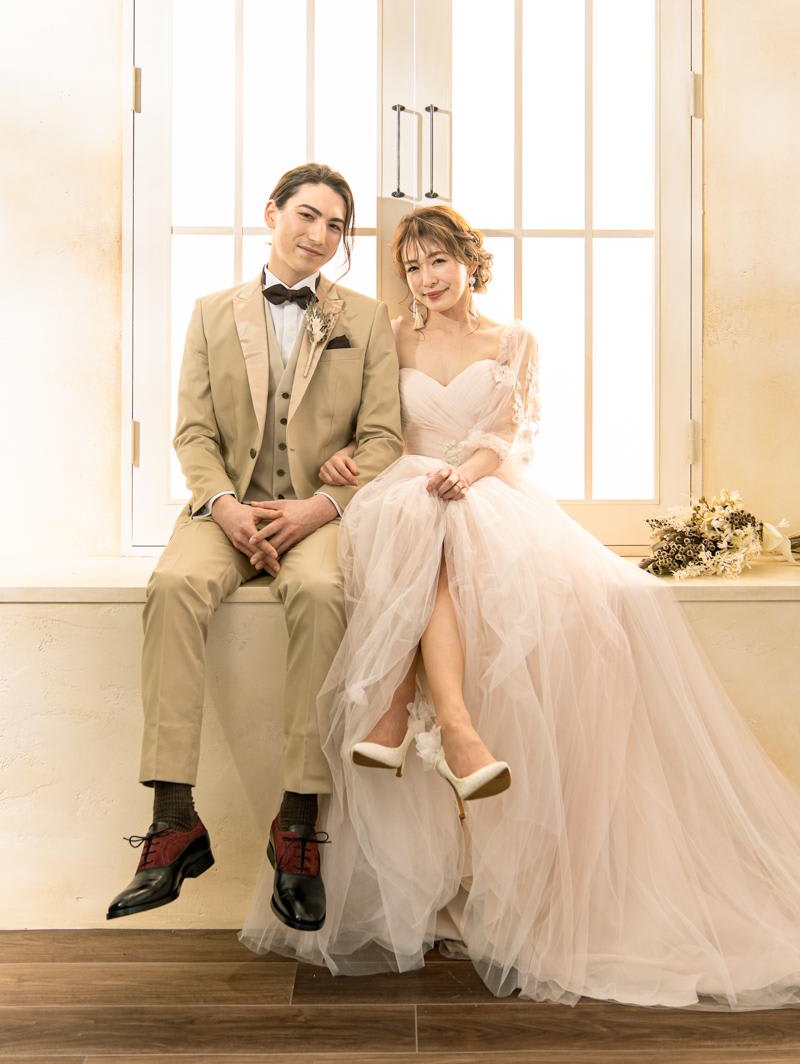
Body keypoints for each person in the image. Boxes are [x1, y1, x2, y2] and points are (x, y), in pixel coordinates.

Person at [241, 203, 800, 1008]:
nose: (426, 280)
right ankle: (456, 731)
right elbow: (379, 430)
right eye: (412, 268)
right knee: (418, 516)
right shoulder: (391, 337)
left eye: (438, 262)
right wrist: (346, 456)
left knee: (444, 521)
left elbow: (506, 436)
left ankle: (400, 713)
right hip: (406, 492)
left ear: (470, 261)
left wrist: (463, 475)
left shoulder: (514, 340)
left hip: (484, 489)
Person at [107, 163, 403, 930]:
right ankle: (173, 818)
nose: (320, 235)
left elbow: (384, 438)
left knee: (323, 592)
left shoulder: (366, 319)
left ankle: (298, 822)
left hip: (315, 516)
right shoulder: (211, 313)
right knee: (173, 586)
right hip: (225, 511)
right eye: (307, 215)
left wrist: (319, 507)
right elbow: (193, 433)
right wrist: (226, 507)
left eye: (336, 226)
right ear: (272, 213)